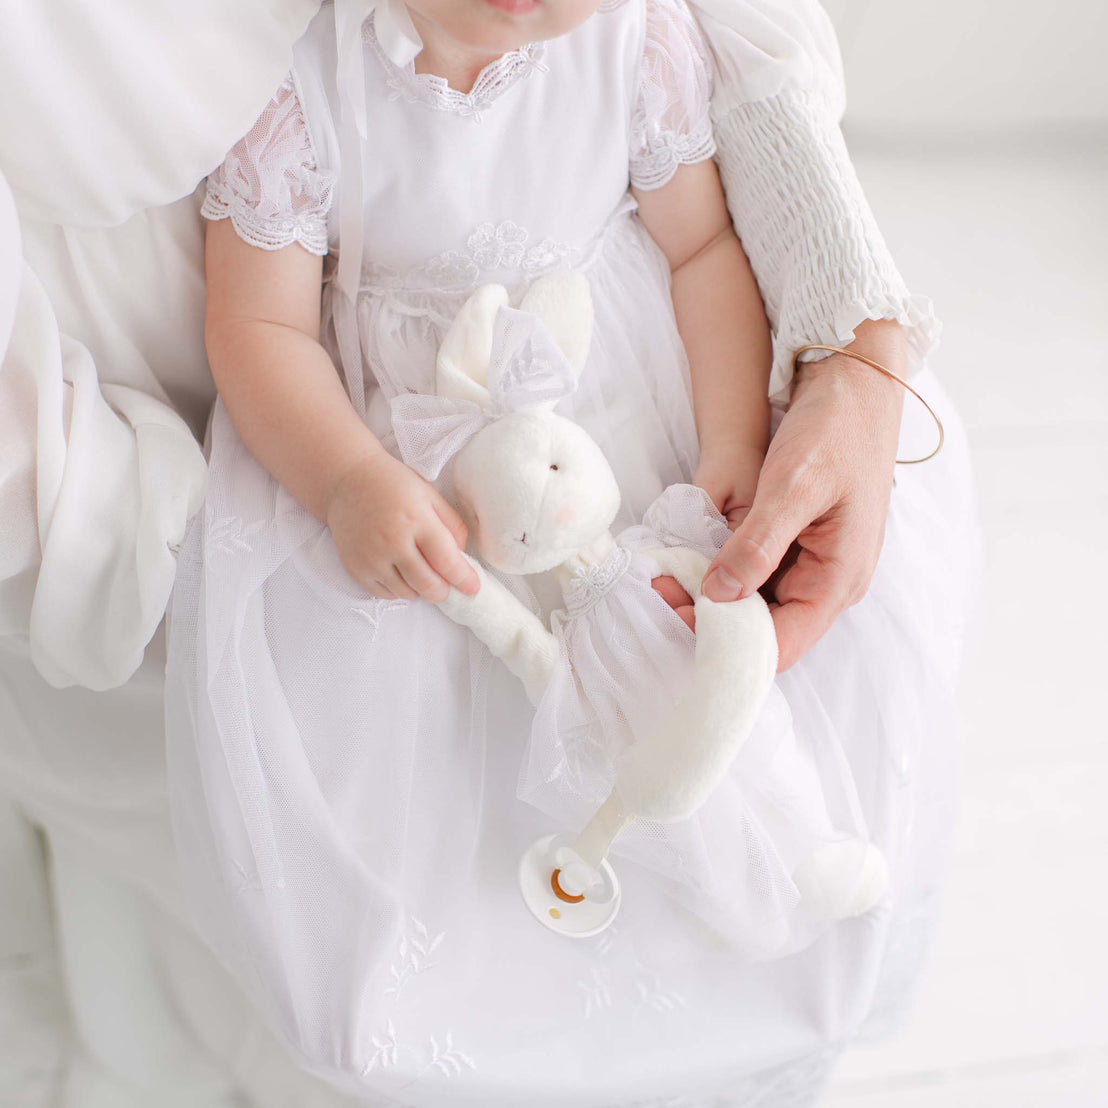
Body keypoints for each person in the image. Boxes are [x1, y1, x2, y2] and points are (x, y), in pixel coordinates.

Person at [0, 1, 977, 1104]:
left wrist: (729, 441)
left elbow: (702, 250)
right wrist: (349, 480)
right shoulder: (304, 81)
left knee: (676, 657)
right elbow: (259, 330)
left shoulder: (633, 41)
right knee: (434, 715)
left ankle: (750, 891)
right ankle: (481, 975)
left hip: (619, 397)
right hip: (408, 445)